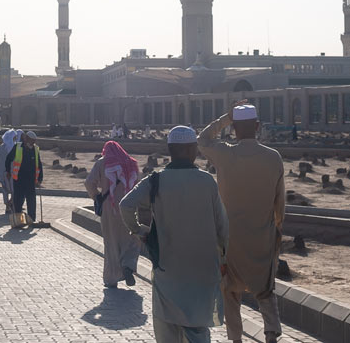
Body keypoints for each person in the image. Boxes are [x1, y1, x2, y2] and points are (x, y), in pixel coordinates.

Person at [119, 126, 228, 343]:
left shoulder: (155, 180)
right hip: (202, 269)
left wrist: (139, 230)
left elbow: (125, 205)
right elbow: (223, 227)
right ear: (191, 150)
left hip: (168, 267)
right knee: (197, 328)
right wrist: (224, 258)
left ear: (170, 150)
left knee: (167, 324)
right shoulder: (207, 181)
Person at [197, 103, 284, 343]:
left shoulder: (225, 153)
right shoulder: (272, 157)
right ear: (257, 127)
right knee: (265, 290)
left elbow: (202, 140)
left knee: (230, 291)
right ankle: (271, 335)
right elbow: (280, 201)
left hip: (230, 238)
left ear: (234, 128)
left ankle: (236, 339)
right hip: (261, 237)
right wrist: (276, 229)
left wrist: (225, 118)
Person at [86, 140, 143, 289]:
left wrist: (96, 196)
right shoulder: (131, 162)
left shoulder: (102, 163)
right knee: (132, 240)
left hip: (109, 208)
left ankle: (111, 279)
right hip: (129, 208)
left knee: (111, 242)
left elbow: (89, 182)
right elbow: (139, 184)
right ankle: (128, 266)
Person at [4, 131, 44, 226]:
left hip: (30, 180)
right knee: (18, 201)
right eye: (31, 140)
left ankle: (31, 220)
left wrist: (40, 178)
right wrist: (8, 171)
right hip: (19, 179)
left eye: (34, 141)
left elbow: (39, 164)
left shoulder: (35, 149)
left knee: (31, 201)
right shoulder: (18, 147)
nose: (32, 143)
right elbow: (8, 158)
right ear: (26, 138)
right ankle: (19, 221)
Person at [0, 129, 19, 210]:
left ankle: (10, 203)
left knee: (10, 189)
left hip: (11, 172)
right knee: (7, 189)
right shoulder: (11, 147)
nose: (16, 138)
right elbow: (0, 159)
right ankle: (8, 204)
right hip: (7, 172)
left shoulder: (5, 147)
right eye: (15, 137)